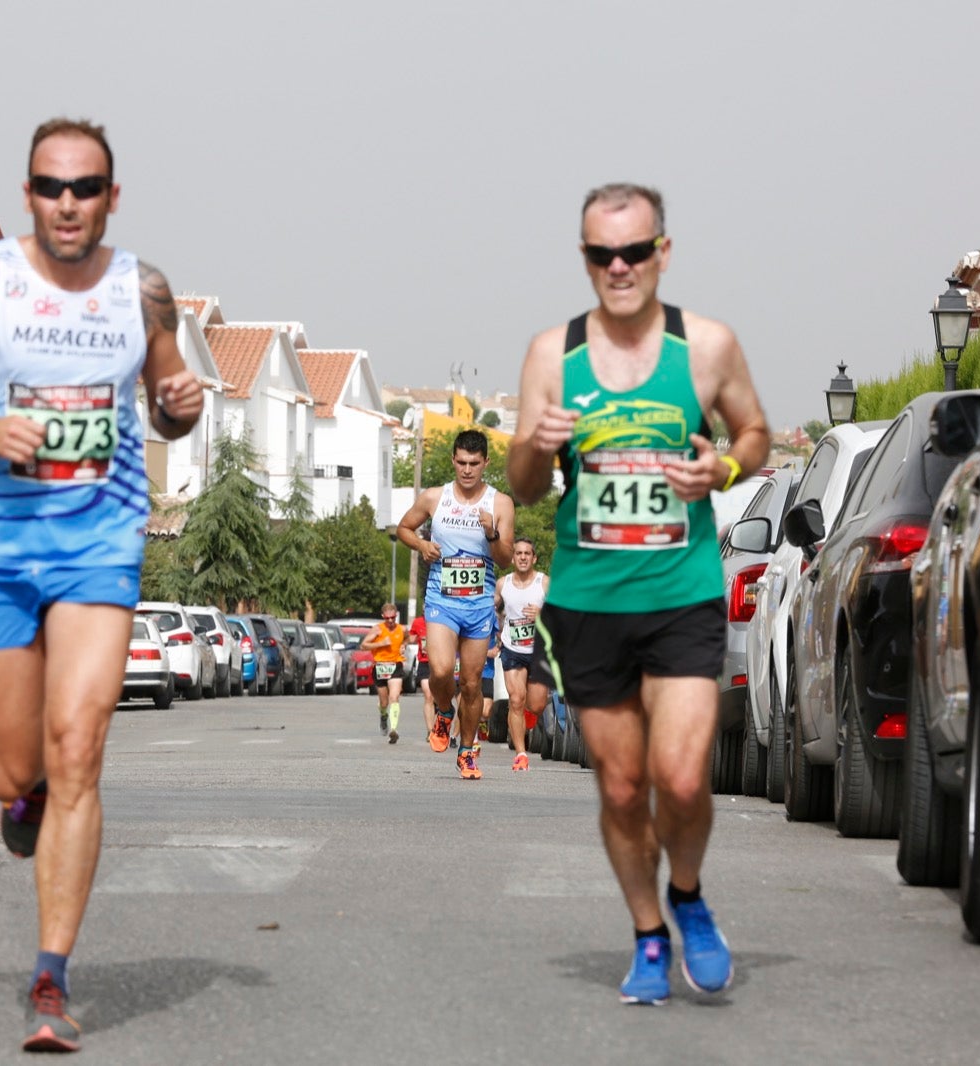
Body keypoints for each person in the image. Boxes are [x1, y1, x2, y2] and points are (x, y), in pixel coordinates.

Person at [0, 116, 202, 1053]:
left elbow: (169, 409)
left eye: (85, 187)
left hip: (101, 542)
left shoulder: (142, 291)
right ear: (29, 194)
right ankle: (25, 800)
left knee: (80, 746)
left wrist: (179, 408)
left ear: (111, 196)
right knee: (14, 769)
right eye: (51, 187)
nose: (68, 203)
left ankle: (51, 979)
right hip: (2, 549)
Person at [508, 183, 770, 1005]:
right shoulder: (552, 355)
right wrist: (536, 445)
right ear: (585, 259)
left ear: (663, 252)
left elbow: (756, 432)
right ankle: (649, 933)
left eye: (633, 251)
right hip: (590, 602)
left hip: (682, 592)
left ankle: (687, 896)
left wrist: (724, 467)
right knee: (622, 788)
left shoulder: (708, 346)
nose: (618, 267)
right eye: (601, 254)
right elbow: (524, 483)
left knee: (682, 779)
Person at [396, 430, 514, 780]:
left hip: (478, 605)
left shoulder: (500, 503)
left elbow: (505, 559)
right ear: (453, 460)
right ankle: (445, 711)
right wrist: (422, 546)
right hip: (441, 600)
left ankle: (466, 751)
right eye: (461, 462)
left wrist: (491, 533)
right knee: (441, 670)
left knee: (473, 684)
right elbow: (404, 528)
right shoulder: (435, 497)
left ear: (485, 463)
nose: (467, 470)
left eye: (474, 463)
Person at [495, 536, 550, 772]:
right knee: (516, 699)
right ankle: (521, 754)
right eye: (519, 553)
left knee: (536, 705)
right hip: (512, 648)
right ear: (513, 558)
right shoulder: (503, 584)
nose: (523, 557)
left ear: (534, 558)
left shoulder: (544, 583)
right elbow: (492, 608)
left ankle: (526, 716)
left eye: (527, 553)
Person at [360, 602, 407, 743]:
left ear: (396, 615)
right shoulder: (377, 629)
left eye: (393, 617)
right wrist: (380, 643)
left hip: (396, 665)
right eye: (387, 618)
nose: (390, 620)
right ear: (383, 616)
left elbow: (408, 638)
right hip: (380, 666)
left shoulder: (402, 629)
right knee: (384, 702)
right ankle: (383, 716)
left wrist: (404, 646)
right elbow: (363, 645)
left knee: (394, 696)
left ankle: (393, 729)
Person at [406, 613, 435, 740]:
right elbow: (410, 638)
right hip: (424, 663)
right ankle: (430, 731)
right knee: (428, 695)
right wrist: (409, 638)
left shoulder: (442, 618)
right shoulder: (417, 622)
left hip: (439, 662)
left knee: (438, 698)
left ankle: (438, 724)